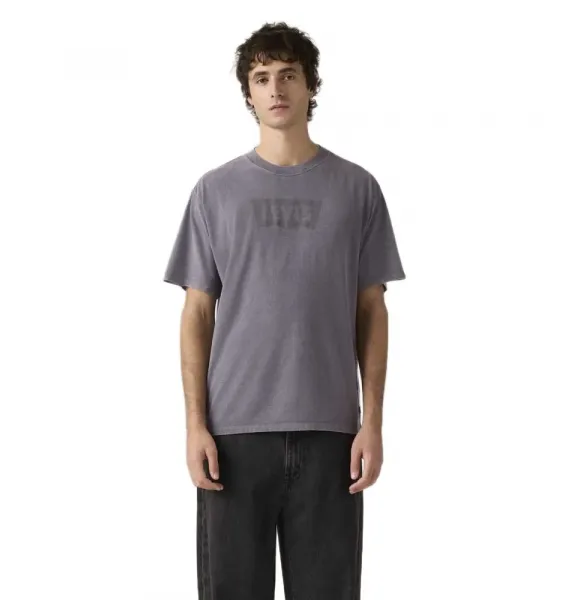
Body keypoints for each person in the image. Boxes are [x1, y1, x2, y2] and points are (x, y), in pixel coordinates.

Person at [163, 21, 407, 600]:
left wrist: (372, 422)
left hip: (331, 434)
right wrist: (195, 424)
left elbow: (371, 311)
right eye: (262, 77)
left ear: (310, 85)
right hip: (233, 437)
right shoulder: (214, 192)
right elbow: (197, 314)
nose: (276, 89)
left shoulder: (357, 189)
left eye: (289, 75)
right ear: (248, 93)